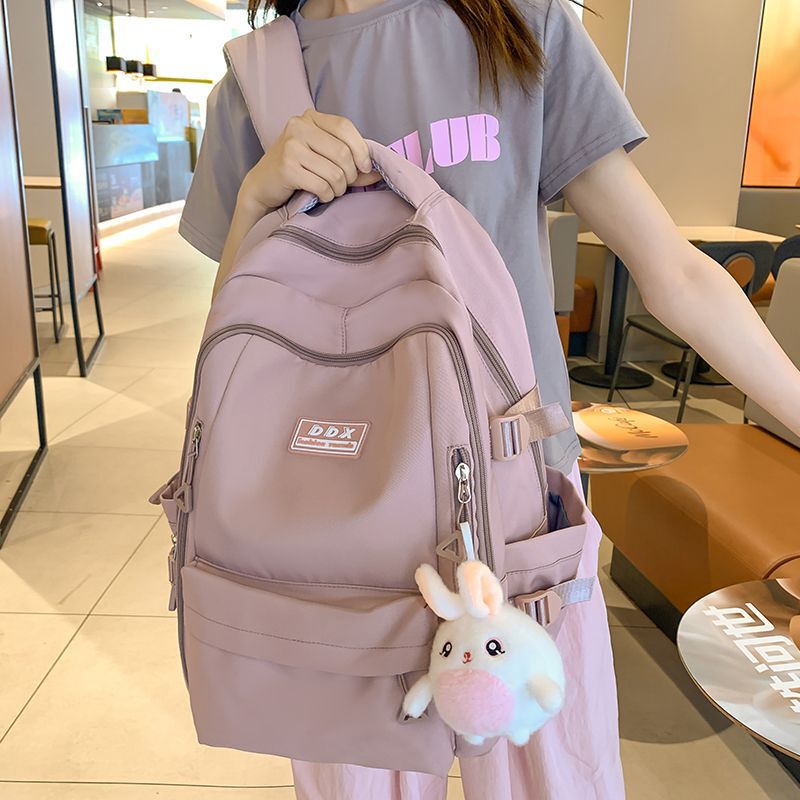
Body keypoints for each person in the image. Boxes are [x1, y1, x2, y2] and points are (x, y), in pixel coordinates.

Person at [178, 0, 800, 797]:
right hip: (337, 521)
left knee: (556, 779)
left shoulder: (517, 27)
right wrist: (253, 203)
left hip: (522, 511)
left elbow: (670, 270)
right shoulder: (255, 79)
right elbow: (235, 338)